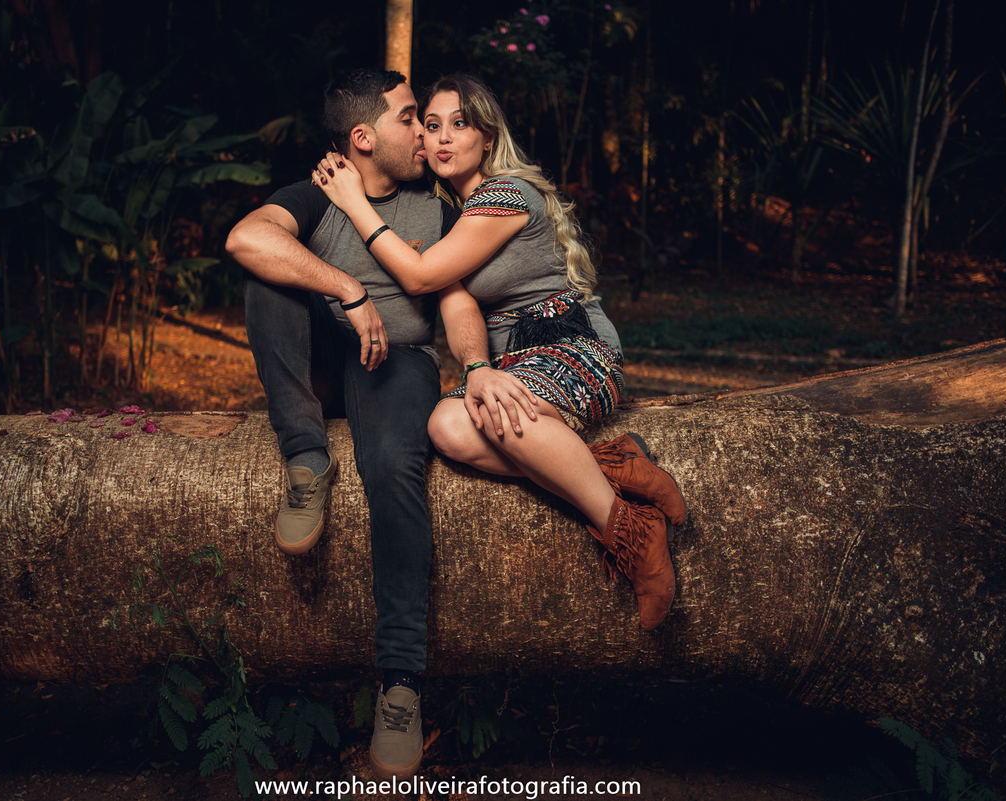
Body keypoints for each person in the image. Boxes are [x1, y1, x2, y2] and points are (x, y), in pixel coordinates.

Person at [225, 67, 536, 784]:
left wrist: (475, 363)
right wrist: (347, 287)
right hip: (326, 359)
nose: (424, 133)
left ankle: (401, 685)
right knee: (265, 277)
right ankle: (306, 459)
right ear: (363, 138)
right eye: (409, 120)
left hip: (399, 363)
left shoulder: (437, 201)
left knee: (397, 465)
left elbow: (454, 295)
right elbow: (246, 237)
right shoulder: (317, 193)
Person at [312, 73, 687, 633]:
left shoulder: (505, 195)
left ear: (487, 138)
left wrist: (353, 201)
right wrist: (478, 368)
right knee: (448, 428)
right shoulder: (452, 216)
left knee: (469, 418)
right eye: (431, 125)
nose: (441, 138)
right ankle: (614, 465)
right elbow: (456, 300)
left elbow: (418, 277)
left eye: (459, 125)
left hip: (570, 345)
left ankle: (629, 531)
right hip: (515, 364)